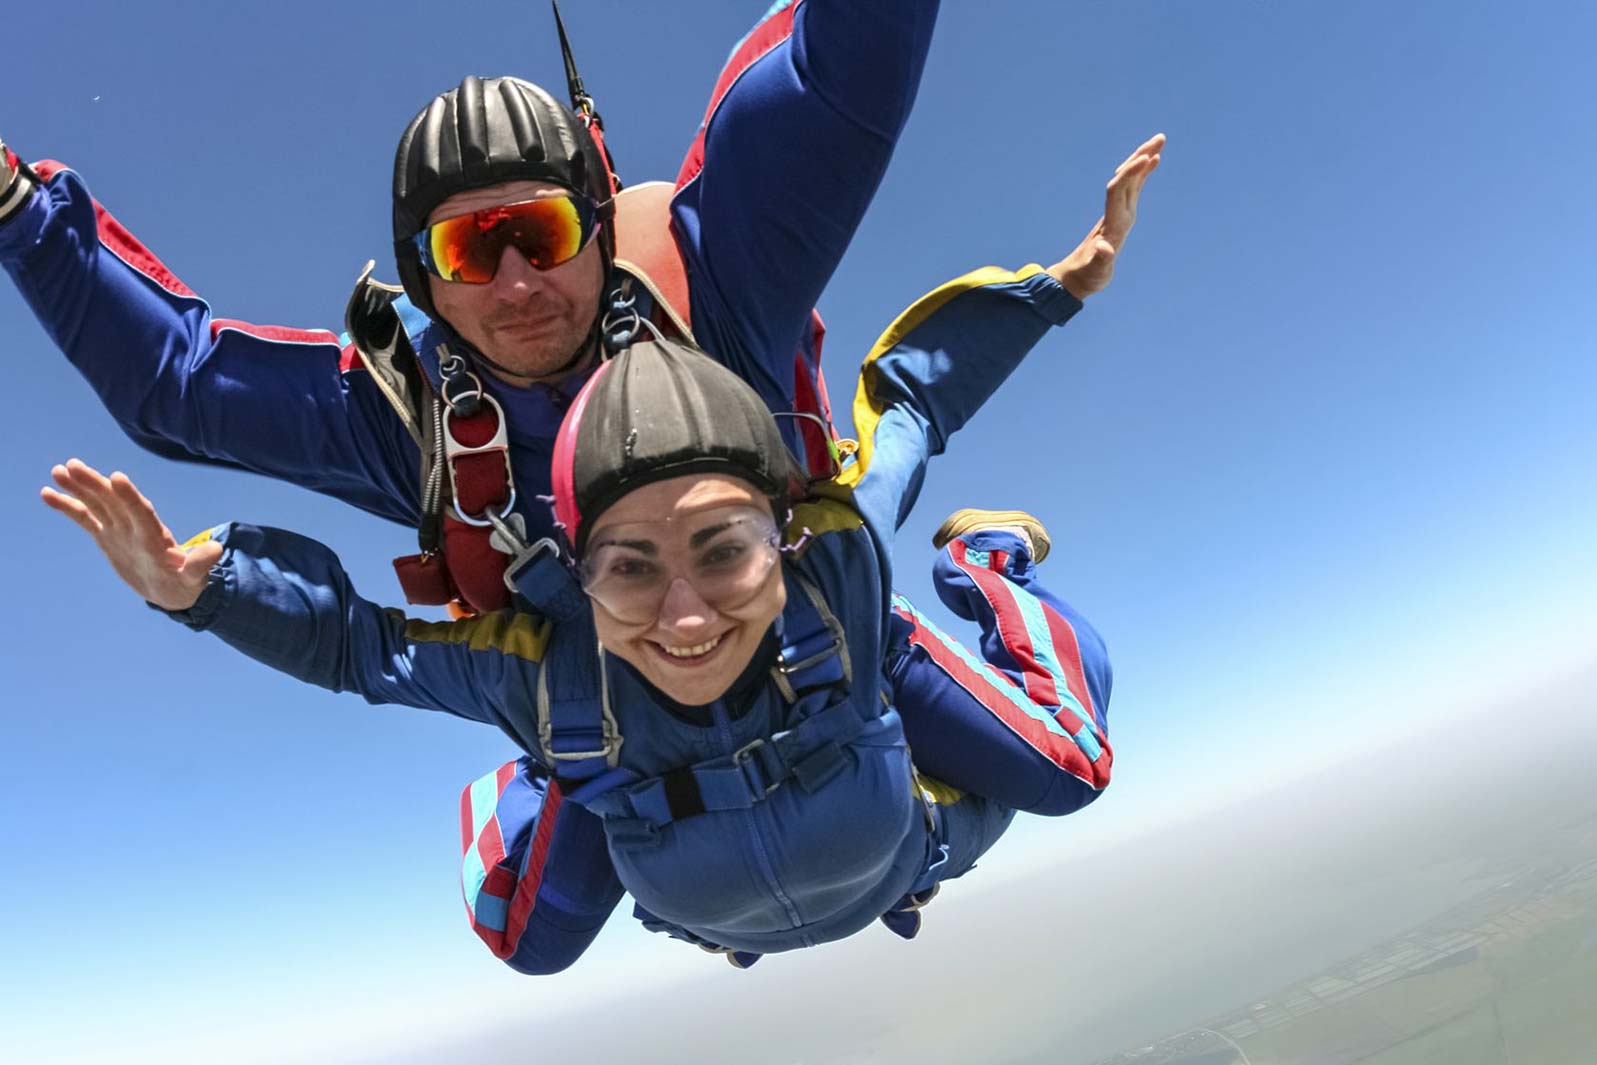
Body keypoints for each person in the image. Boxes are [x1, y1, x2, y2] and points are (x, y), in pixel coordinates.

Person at [42, 274, 1112, 968]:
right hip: (754, 859)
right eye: (629, 567)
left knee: (1070, 768)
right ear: (578, 574)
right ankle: (551, 781)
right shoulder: (547, 673)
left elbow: (908, 417)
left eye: (723, 550)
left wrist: (1051, 291)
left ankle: (987, 564)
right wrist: (205, 589)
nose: (685, 615)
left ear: (780, 539)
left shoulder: (839, 570)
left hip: (878, 825)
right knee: (527, 942)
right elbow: (363, 650)